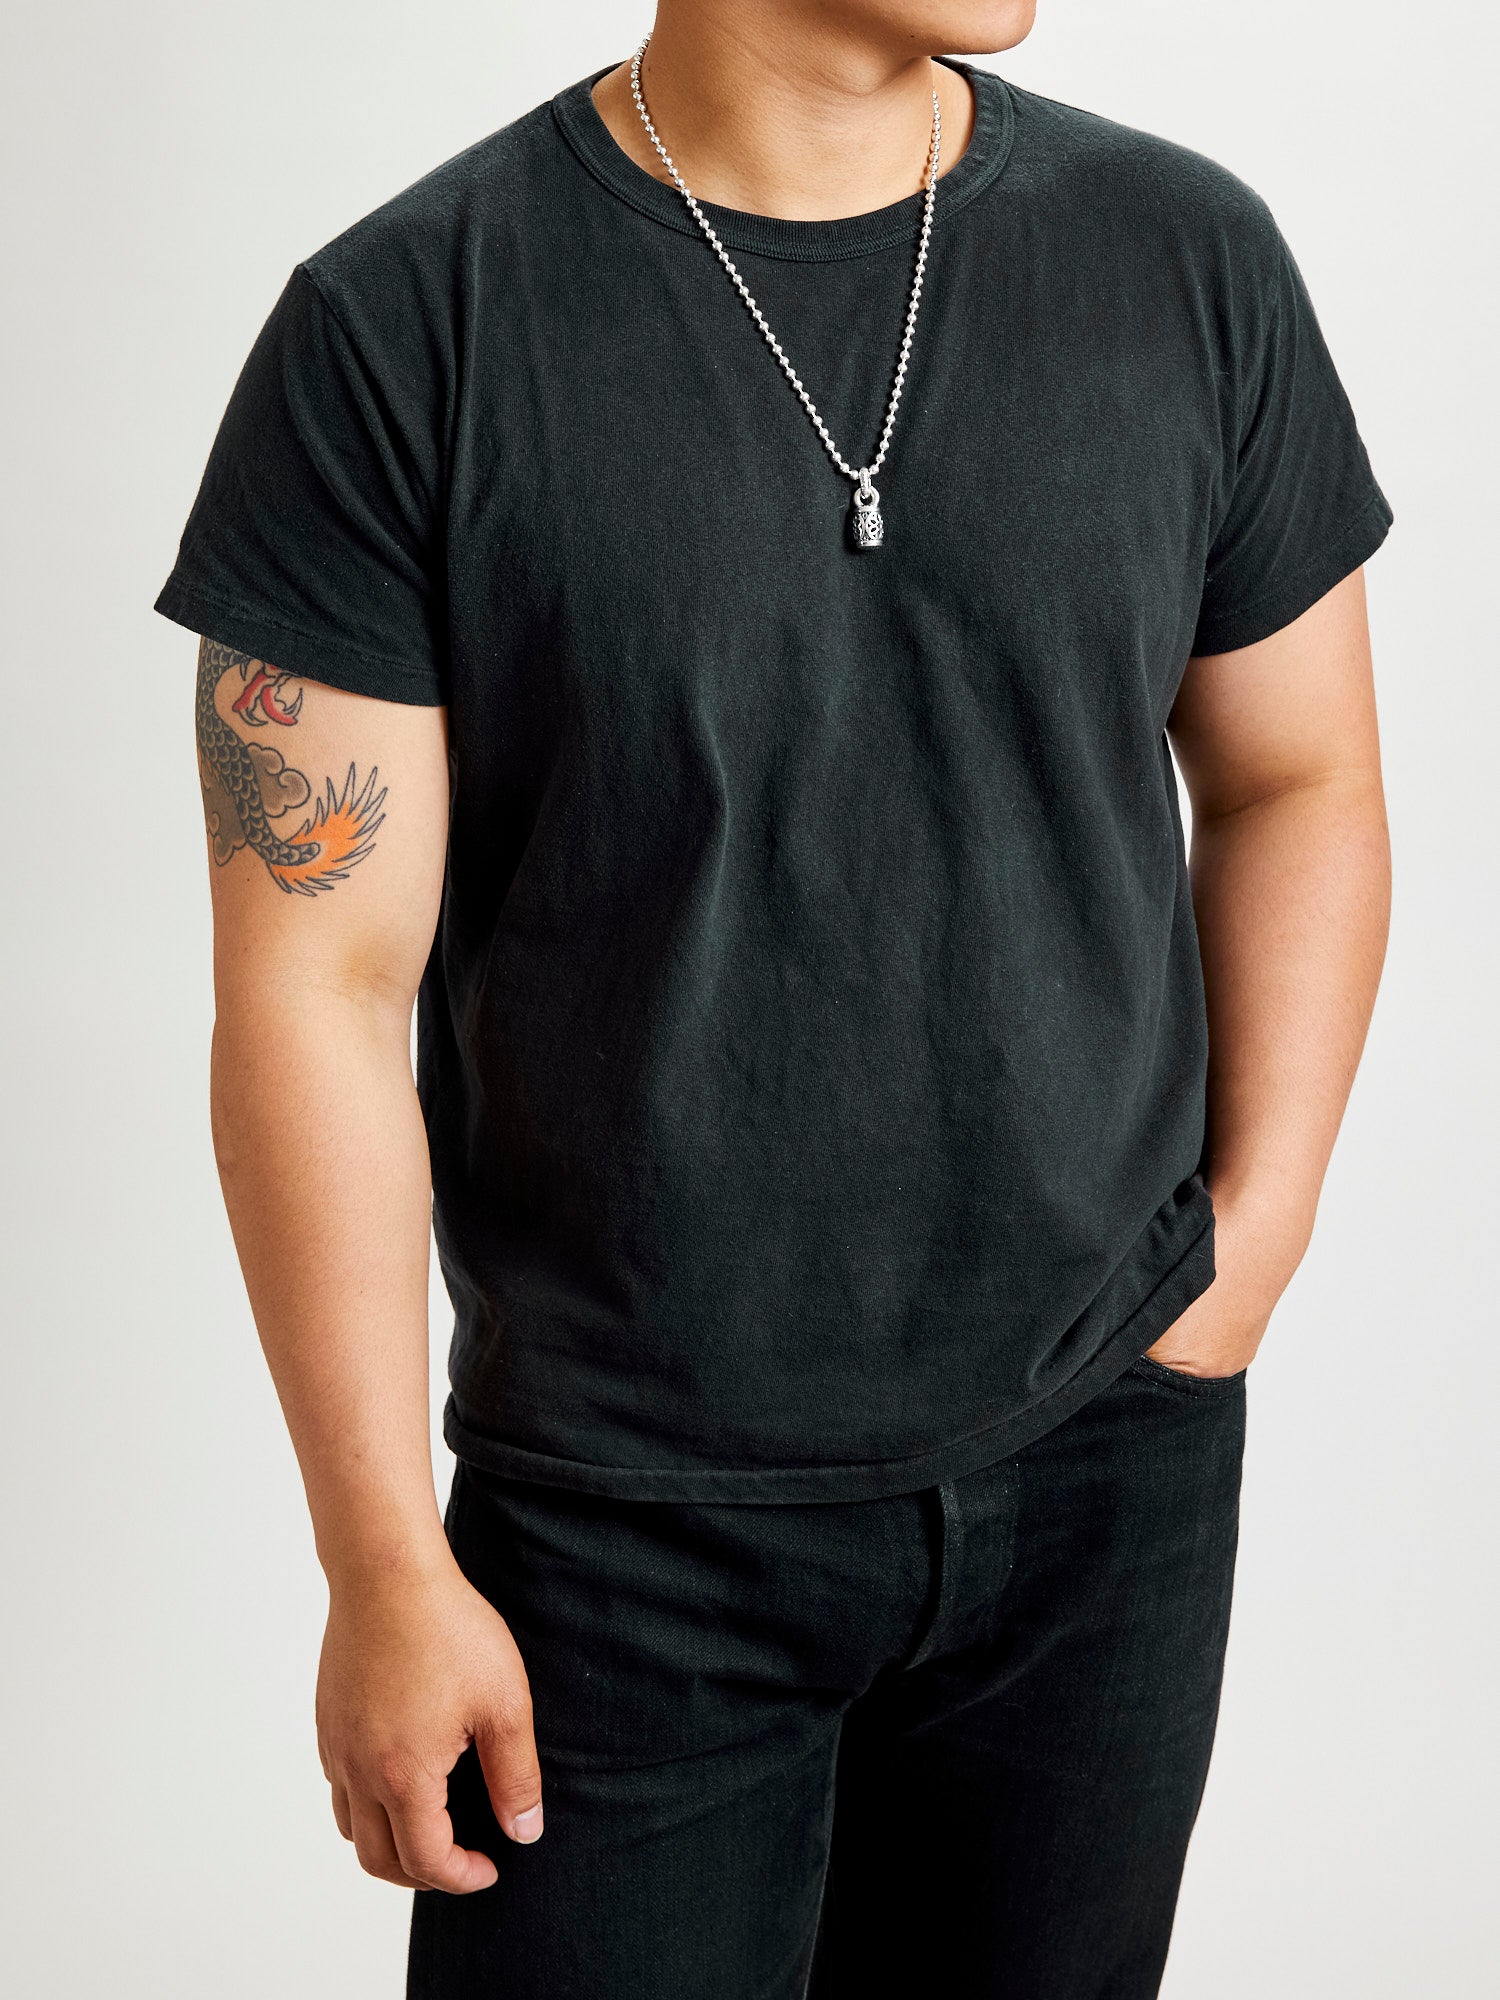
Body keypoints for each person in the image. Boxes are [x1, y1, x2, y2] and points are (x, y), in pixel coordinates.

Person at [156, 1, 1393, 1992]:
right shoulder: (406, 325)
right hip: (624, 1530)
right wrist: (381, 1559)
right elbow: (316, 979)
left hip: (1105, 1462)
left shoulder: (1185, 257)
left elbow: (1299, 777)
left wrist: (1250, 1245)